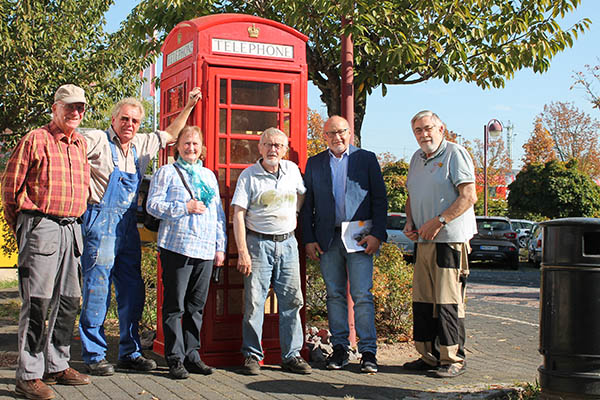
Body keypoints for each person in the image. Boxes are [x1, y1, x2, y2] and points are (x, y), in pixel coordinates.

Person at [78, 88, 202, 376]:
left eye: (135, 121)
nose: (129, 125)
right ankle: (94, 354)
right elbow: (70, 144)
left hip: (128, 226)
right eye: (124, 119)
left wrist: (188, 105)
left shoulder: (142, 144)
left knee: (133, 292)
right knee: (97, 291)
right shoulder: (96, 138)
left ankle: (129, 352)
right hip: (100, 222)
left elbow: (171, 133)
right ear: (113, 119)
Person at [2, 84, 91, 399]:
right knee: (38, 303)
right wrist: (26, 228)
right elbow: (10, 190)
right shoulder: (35, 139)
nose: (75, 113)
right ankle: (28, 374)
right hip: (41, 225)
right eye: (69, 106)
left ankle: (57, 364)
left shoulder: (80, 144)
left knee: (69, 301)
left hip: (72, 229)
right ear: (55, 107)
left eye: (80, 107)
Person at [299, 115, 387, 374]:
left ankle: (368, 352)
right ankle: (340, 348)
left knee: (362, 295)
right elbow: (307, 205)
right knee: (334, 295)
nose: (336, 137)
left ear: (350, 133)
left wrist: (377, 234)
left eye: (341, 132)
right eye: (331, 133)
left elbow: (380, 199)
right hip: (328, 237)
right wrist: (309, 238)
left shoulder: (366, 159)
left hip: (360, 236)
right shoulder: (314, 163)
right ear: (323, 136)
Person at [146, 126, 226, 379]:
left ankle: (193, 354)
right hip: (177, 246)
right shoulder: (166, 173)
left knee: (196, 307)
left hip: (204, 249)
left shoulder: (208, 175)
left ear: (202, 147)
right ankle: (174, 358)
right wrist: (185, 206)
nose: (191, 148)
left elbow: (218, 215)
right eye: (186, 143)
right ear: (177, 146)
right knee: (174, 306)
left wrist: (220, 246)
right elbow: (153, 205)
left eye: (195, 144)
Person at [402, 110, 477, 378]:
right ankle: (429, 356)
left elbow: (468, 196)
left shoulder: (455, 154)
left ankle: (453, 357)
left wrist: (440, 221)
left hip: (449, 240)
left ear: (441, 128)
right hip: (423, 241)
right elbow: (412, 195)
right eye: (418, 131)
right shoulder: (416, 158)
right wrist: (410, 223)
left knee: (448, 301)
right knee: (423, 300)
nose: (424, 135)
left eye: (428, 128)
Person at [231, 127, 311, 376]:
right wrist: (242, 250)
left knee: (292, 301)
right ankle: (253, 355)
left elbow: (302, 196)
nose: (272, 149)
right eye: (267, 144)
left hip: (288, 243)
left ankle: (291, 355)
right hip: (258, 244)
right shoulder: (249, 176)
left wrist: (294, 215)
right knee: (255, 302)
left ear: (285, 149)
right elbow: (238, 213)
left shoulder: (292, 171)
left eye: (277, 145)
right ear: (260, 148)